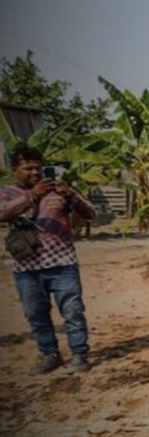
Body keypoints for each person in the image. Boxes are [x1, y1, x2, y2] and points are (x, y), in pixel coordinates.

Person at [0, 145, 96, 374]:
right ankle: (50, 355)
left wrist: (71, 195)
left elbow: (91, 213)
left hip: (63, 263)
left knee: (72, 311)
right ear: (14, 169)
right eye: (28, 168)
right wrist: (33, 196)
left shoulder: (60, 190)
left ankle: (79, 355)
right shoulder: (8, 192)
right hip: (27, 267)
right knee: (36, 315)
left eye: (38, 168)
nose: (34, 173)